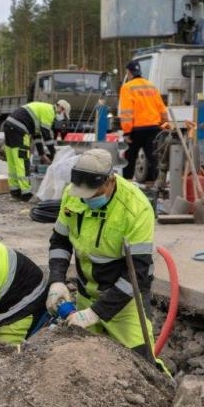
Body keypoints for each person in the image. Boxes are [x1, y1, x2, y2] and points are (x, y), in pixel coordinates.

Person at [46, 148, 167, 372]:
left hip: (125, 301)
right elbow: (60, 241)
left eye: (92, 192)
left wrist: (96, 313)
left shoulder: (135, 208)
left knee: (142, 366)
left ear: (109, 181)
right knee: (84, 365)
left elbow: (137, 274)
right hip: (86, 294)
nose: (86, 198)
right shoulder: (73, 195)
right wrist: (56, 280)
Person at [2, 99, 70, 202]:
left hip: (8, 125)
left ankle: (15, 192)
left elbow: (37, 136)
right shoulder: (50, 111)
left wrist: (42, 154)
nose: (61, 116)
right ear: (61, 108)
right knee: (22, 162)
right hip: (20, 130)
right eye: (63, 114)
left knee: (13, 161)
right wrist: (54, 154)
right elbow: (46, 136)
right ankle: (26, 194)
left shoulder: (41, 109)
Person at [118, 59, 168, 183]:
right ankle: (158, 185)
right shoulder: (151, 86)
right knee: (153, 158)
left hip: (136, 130)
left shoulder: (127, 87)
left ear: (129, 73)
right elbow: (162, 108)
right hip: (153, 128)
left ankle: (126, 185)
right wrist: (164, 123)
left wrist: (127, 132)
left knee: (129, 159)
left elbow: (126, 112)